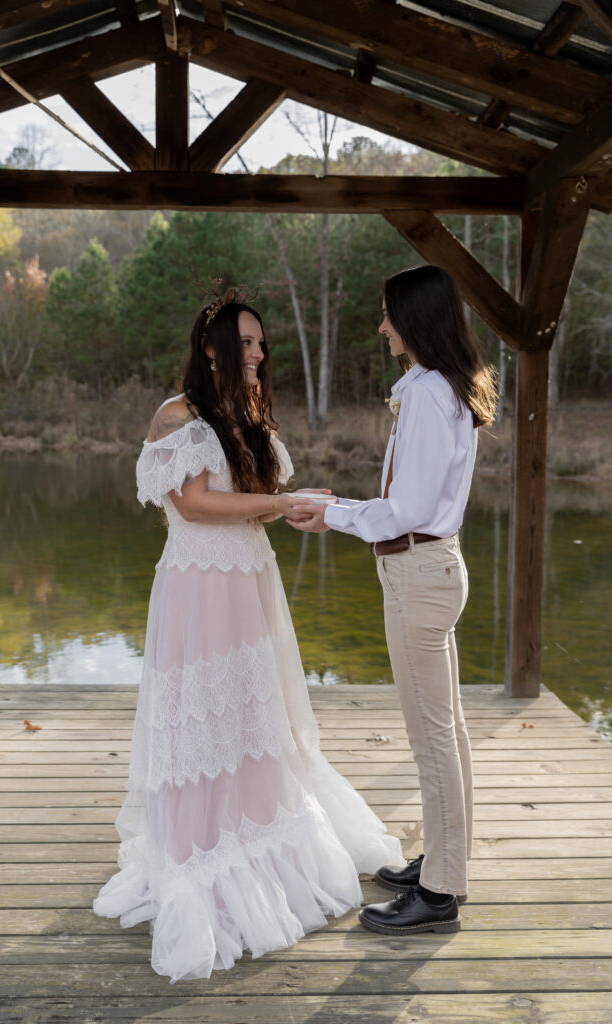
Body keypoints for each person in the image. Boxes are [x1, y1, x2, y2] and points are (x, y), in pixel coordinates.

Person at [93, 288, 405, 981]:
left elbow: (250, 510)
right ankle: (200, 851)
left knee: (253, 714)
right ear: (210, 349)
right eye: (246, 343)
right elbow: (194, 504)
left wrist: (295, 505)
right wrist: (278, 500)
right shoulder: (176, 416)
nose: (258, 353)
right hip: (199, 587)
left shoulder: (246, 416)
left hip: (247, 580)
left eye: (263, 344)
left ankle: (261, 836)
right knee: (203, 715)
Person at [287, 265, 497, 936]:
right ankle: (443, 861)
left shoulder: (431, 396)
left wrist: (331, 513)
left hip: (418, 573)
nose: (380, 326)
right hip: (430, 570)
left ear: (414, 320)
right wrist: (342, 509)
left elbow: (405, 508)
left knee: (432, 736)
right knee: (449, 731)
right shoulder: (441, 389)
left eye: (386, 315)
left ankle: (437, 892)